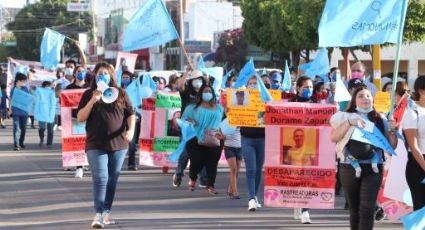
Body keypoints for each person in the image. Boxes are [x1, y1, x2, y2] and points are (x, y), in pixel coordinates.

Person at [77, 62, 135, 228]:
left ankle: (107, 211)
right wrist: (92, 101)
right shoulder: (89, 94)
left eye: (106, 73)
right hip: (95, 143)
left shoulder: (121, 93)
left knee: (112, 179)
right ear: (95, 76)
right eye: (99, 73)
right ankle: (98, 214)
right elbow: (80, 117)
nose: (102, 75)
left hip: (119, 144)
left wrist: (130, 131)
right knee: (101, 178)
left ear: (111, 76)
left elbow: (131, 114)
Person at [330, 86, 397, 230]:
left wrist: (392, 130)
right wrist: (349, 123)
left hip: (374, 168)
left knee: (367, 209)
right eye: (361, 96)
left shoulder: (381, 119)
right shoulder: (345, 117)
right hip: (349, 168)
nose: (365, 98)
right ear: (354, 101)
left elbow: (391, 147)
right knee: (354, 210)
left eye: (368, 95)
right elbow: (334, 137)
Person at [182, 84, 224, 194]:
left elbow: (223, 123)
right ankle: (193, 178)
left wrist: (223, 134)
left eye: (210, 91)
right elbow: (183, 120)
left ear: (213, 94)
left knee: (212, 163)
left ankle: (210, 185)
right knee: (196, 161)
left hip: (214, 139)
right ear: (200, 93)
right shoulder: (191, 108)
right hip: (195, 138)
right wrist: (189, 121)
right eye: (205, 91)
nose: (207, 93)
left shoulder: (219, 108)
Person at [172, 70, 209, 187]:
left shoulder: (206, 93)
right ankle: (178, 174)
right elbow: (180, 86)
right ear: (191, 81)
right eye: (195, 79)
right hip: (188, 127)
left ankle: (203, 178)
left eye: (199, 79)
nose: (197, 82)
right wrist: (187, 72)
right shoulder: (187, 92)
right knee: (186, 153)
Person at [288, 76, 316, 223]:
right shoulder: (290, 104)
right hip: (295, 145)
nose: (308, 90)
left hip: (310, 145)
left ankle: (306, 210)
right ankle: (297, 203)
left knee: (308, 179)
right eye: (305, 87)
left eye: (310, 87)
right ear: (298, 88)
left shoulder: (316, 104)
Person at [242, 76, 266, 211]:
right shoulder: (242, 98)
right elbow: (233, 114)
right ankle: (251, 198)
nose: (252, 85)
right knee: (250, 169)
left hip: (262, 138)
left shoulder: (266, 99)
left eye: (255, 84)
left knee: (258, 169)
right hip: (247, 138)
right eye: (250, 84)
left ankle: (255, 195)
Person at [402, 76, 425, 211]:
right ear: (421, 91)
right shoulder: (413, 112)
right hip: (418, 164)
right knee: (421, 210)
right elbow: (413, 146)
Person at [65, 66, 89, 178]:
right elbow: (64, 103)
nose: (81, 73)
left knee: (87, 142)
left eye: (83, 71)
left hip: (88, 118)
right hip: (74, 119)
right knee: (77, 143)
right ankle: (78, 167)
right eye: (79, 71)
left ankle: (83, 162)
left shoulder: (89, 87)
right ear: (74, 74)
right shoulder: (69, 88)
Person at [121, 71, 140, 171]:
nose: (124, 79)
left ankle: (131, 164)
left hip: (132, 117)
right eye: (123, 77)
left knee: (132, 142)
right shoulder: (117, 89)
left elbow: (139, 102)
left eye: (126, 77)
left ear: (130, 78)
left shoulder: (135, 89)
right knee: (120, 140)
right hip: (120, 117)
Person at [10, 73, 30, 151]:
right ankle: (16, 144)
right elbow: (11, 99)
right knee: (16, 128)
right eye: (23, 81)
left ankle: (21, 142)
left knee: (23, 128)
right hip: (16, 112)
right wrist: (10, 110)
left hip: (24, 112)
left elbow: (29, 98)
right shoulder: (13, 89)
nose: (25, 82)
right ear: (18, 81)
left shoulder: (25, 89)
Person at [37, 81, 55, 148]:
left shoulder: (53, 93)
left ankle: (49, 143)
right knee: (42, 128)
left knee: (50, 129)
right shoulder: (39, 94)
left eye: (49, 87)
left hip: (51, 114)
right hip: (42, 113)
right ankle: (41, 138)